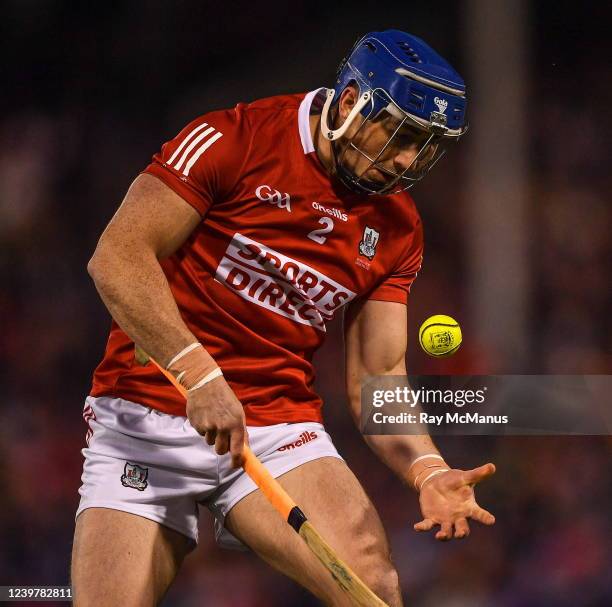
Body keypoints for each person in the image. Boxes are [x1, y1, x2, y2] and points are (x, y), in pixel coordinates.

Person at [72, 29, 496, 607]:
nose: (406, 160)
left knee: (374, 588)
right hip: (147, 414)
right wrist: (200, 375)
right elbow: (117, 257)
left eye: (425, 146)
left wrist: (426, 469)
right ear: (352, 102)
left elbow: (378, 376)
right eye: (402, 135)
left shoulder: (398, 227)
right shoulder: (234, 137)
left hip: (275, 427)